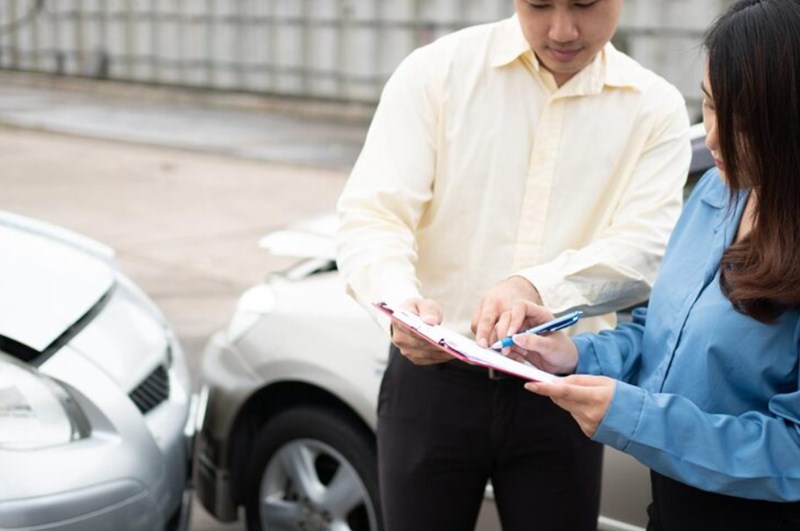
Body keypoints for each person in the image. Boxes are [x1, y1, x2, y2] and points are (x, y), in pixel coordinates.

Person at [337, 1, 691, 529]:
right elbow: (373, 213)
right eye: (540, 4)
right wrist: (397, 304)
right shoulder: (436, 72)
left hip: (562, 387)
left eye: (585, 4)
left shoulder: (654, 108)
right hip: (434, 379)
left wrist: (535, 284)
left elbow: (648, 247)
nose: (563, 30)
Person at [503, 1, 800, 529]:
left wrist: (636, 418)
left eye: (745, 121)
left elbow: (794, 452)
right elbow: (662, 329)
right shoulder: (717, 191)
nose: (713, 139)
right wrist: (573, 353)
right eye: (708, 107)